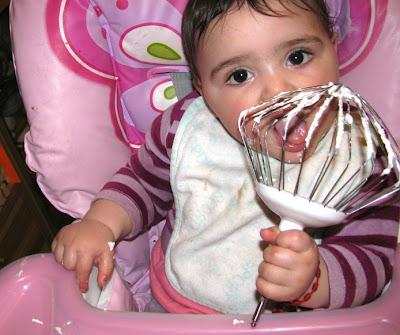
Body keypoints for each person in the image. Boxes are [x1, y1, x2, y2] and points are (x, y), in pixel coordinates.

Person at [52, 0, 398, 314]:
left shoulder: (363, 155)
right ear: (203, 89)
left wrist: (315, 280)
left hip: (294, 321)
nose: (278, 90)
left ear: (334, 48)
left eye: (297, 57)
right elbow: (143, 184)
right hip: (175, 307)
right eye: (239, 76)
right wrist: (100, 223)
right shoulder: (187, 127)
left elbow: (374, 258)